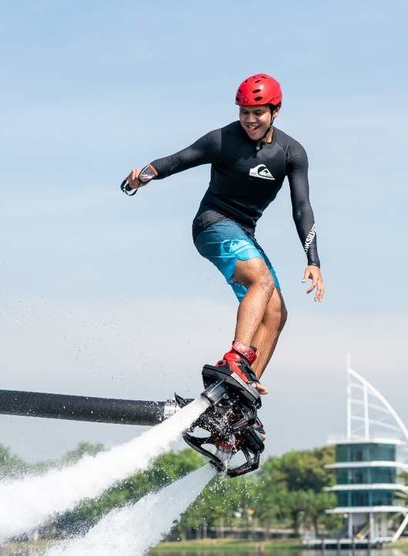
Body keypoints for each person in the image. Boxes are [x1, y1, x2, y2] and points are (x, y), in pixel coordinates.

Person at [124, 73, 324, 398]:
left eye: (257, 113)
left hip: (244, 232)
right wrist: (142, 176)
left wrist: (313, 260)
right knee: (261, 279)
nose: (249, 120)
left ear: (276, 111)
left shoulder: (291, 153)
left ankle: (239, 397)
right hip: (212, 223)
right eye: (244, 112)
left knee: (276, 313)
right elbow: (179, 159)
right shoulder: (222, 140)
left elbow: (302, 207)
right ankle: (237, 359)